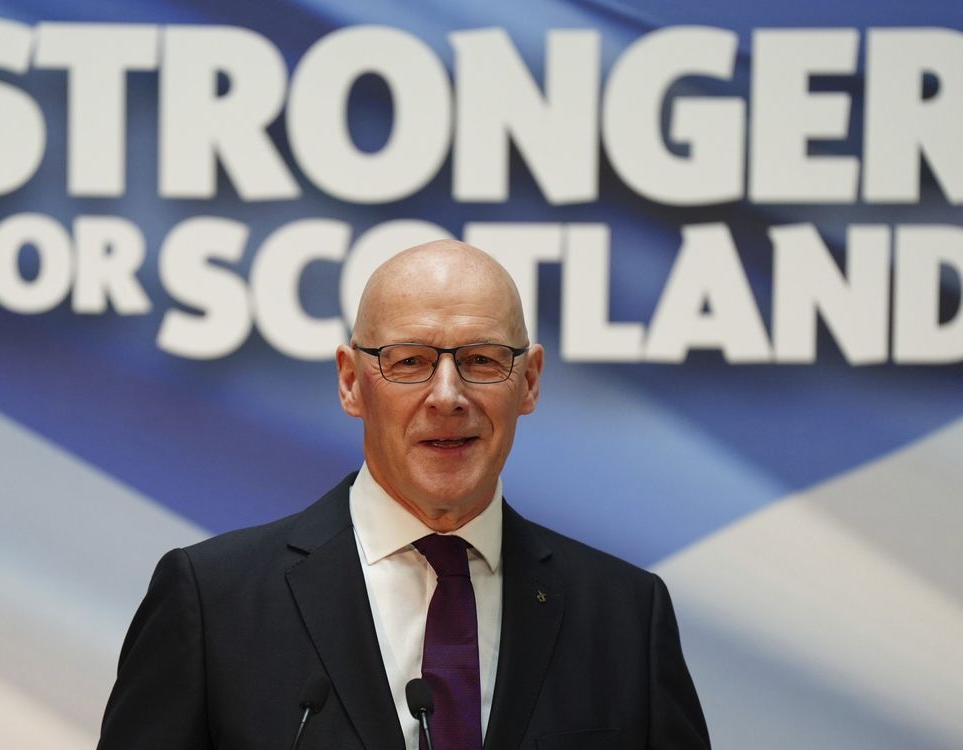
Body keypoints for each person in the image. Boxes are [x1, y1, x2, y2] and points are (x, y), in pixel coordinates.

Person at [97, 240, 710, 749]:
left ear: (529, 382)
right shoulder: (214, 603)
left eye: (482, 359)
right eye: (410, 361)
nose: (448, 395)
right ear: (350, 381)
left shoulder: (627, 617)